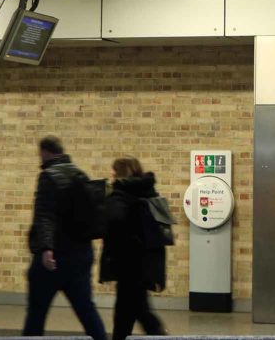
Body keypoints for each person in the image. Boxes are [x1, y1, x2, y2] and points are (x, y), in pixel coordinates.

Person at [23, 136, 108, 340]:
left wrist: (46, 248)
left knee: (36, 311)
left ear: (45, 152)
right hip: (81, 253)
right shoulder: (80, 174)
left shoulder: (48, 176)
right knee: (86, 309)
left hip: (54, 257)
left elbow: (45, 215)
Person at [99, 156, 168, 340]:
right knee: (129, 310)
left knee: (138, 311)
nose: (112, 174)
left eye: (114, 171)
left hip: (127, 262)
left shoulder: (121, 194)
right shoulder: (147, 190)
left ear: (121, 172)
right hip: (145, 260)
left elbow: (115, 222)